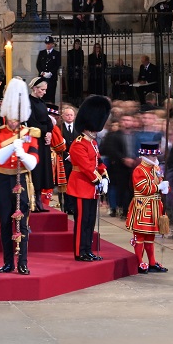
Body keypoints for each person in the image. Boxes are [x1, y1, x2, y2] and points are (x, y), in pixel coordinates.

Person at [0, 78, 39, 275]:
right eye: (10, 117)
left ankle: (23, 262)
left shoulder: (29, 133)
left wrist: (23, 155)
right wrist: (12, 146)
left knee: (23, 223)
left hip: (22, 180)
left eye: (16, 117)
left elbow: (33, 161)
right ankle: (8, 261)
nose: (13, 121)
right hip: (2, 180)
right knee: (4, 223)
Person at [65, 95, 111, 262]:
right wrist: (98, 180)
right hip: (82, 187)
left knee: (90, 221)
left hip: (91, 189)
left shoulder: (92, 143)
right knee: (82, 222)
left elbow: (98, 162)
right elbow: (86, 167)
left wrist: (105, 176)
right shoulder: (78, 143)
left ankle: (88, 249)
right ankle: (79, 251)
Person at [128, 136, 169, 275]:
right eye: (152, 155)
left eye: (155, 155)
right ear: (146, 155)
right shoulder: (139, 170)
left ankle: (151, 262)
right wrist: (158, 187)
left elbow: (159, 182)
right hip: (142, 207)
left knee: (150, 237)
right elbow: (143, 188)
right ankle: (139, 262)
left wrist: (165, 188)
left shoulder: (155, 168)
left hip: (155, 206)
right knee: (139, 237)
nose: (155, 157)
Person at [26, 76, 54, 213]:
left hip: (44, 140)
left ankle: (39, 200)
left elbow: (48, 120)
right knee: (36, 170)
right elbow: (31, 121)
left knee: (43, 169)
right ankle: (34, 200)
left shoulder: (42, 102)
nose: (44, 92)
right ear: (35, 88)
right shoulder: (28, 102)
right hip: (34, 139)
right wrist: (45, 132)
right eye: (42, 89)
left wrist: (49, 132)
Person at [36, 36, 61, 103]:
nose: (48, 45)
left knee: (51, 95)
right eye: (47, 44)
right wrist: (42, 72)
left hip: (52, 78)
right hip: (43, 78)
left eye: (49, 44)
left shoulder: (56, 54)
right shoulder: (42, 53)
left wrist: (50, 73)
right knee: (42, 96)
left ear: (52, 44)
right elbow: (38, 64)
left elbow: (57, 65)